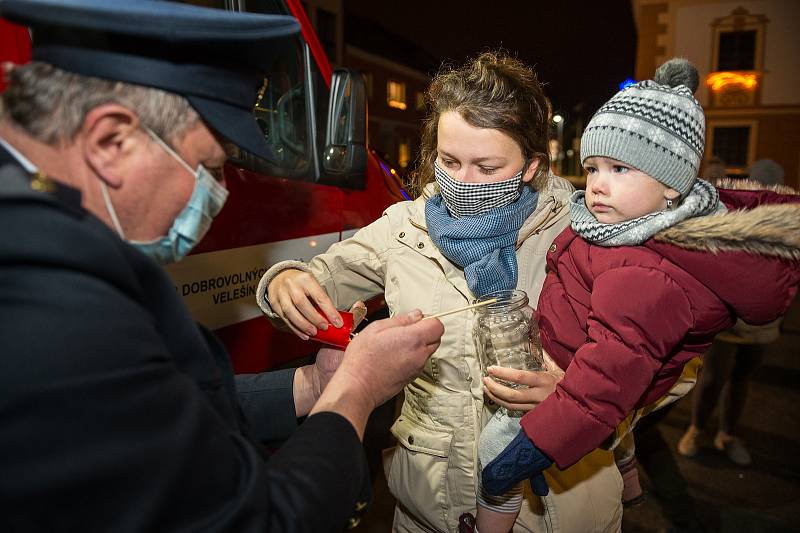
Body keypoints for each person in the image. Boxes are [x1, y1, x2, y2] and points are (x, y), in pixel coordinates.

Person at [0, 1, 445, 531]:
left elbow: (158, 408)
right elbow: (260, 520)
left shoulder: (52, 232)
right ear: (110, 140)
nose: (218, 194)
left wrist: (309, 384)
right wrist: (359, 387)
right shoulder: (52, 302)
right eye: (209, 166)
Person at [258, 51, 624, 533]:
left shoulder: (588, 234)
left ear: (531, 166)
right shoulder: (405, 228)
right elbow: (317, 277)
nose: (463, 182)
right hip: (430, 509)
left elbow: (665, 359)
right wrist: (285, 282)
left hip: (557, 511)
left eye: (487, 167)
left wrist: (579, 397)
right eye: (449, 161)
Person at [478, 58, 800, 531]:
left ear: (671, 184)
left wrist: (533, 446)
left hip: (570, 393)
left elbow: (606, 380)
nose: (597, 183)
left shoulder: (643, 272)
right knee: (611, 435)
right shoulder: (622, 229)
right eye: (593, 167)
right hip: (573, 376)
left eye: (620, 168)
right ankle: (628, 476)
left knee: (496, 454)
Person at [677, 158, 792, 466]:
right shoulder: (735, 215)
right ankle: (696, 429)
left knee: (743, 377)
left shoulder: (786, 217)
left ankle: (727, 434)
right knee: (713, 378)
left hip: (766, 324)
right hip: (730, 320)